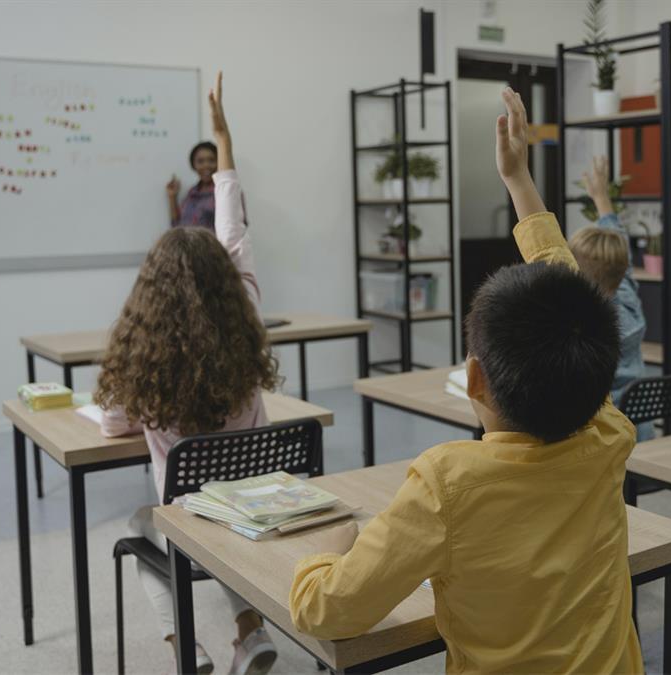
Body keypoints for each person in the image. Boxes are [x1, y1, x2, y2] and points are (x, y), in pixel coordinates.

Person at [286, 87, 641, 674]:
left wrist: (323, 555)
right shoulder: (606, 432)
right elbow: (565, 284)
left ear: (474, 378)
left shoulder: (446, 484)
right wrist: (519, 181)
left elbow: (326, 611)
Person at [96, 72, 280, 675]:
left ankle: (186, 650)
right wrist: (225, 138)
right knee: (221, 518)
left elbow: (113, 426)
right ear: (229, 282)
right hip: (255, 505)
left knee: (145, 524)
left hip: (193, 517)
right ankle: (250, 632)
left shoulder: (142, 358)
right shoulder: (246, 311)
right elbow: (233, 228)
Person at [572, 155, 652, 441]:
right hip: (640, 433)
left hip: (603, 444)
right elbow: (622, 253)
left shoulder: (584, 327)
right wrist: (600, 196)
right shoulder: (627, 298)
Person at [167, 141, 219, 228]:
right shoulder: (192, 192)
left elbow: (236, 228)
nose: (206, 165)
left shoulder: (226, 191)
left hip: (212, 242)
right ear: (193, 164)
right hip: (185, 241)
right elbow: (177, 225)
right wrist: (172, 197)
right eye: (200, 161)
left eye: (211, 160)